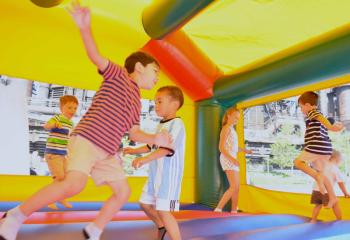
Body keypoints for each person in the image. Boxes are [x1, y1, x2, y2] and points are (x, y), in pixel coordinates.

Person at [0, 2, 171, 240]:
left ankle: (94, 229)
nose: (156, 78)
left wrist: (155, 138)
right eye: (155, 71)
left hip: (108, 152)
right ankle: (15, 215)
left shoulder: (138, 102)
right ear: (139, 68)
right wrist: (84, 27)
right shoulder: (118, 75)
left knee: (122, 193)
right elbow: (95, 56)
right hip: (88, 139)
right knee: (74, 184)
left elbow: (133, 132)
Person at [124, 86, 185, 240]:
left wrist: (144, 160)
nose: (155, 105)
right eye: (155, 102)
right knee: (145, 204)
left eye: (159, 101)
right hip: (155, 175)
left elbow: (165, 149)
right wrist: (133, 151)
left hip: (168, 177)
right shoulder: (161, 125)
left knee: (164, 211)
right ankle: (161, 226)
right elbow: (150, 145)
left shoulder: (177, 124)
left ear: (174, 104)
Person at [294, 91, 344, 209]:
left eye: (301, 107)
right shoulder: (317, 115)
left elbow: (320, 118)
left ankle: (316, 176)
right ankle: (332, 197)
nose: (301, 110)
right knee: (324, 174)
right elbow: (324, 120)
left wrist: (331, 127)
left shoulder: (313, 112)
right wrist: (333, 125)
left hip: (316, 145)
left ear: (307, 105)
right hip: (325, 149)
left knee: (298, 162)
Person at [213, 107, 252, 213]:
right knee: (234, 186)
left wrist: (245, 150)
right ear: (229, 116)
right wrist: (232, 159)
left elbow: (233, 147)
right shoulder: (226, 128)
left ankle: (234, 210)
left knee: (237, 187)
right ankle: (218, 208)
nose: (236, 120)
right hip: (227, 158)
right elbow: (221, 147)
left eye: (238, 118)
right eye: (235, 117)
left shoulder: (231, 129)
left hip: (231, 157)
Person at [44, 95, 78, 210]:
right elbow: (46, 126)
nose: (72, 111)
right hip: (53, 153)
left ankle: (61, 197)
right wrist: (53, 125)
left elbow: (69, 139)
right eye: (69, 108)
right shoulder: (57, 118)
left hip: (63, 154)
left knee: (66, 177)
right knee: (60, 177)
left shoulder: (71, 123)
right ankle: (50, 199)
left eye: (74, 108)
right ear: (61, 108)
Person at [310, 150, 350, 223]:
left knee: (318, 205)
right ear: (336, 159)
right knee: (335, 203)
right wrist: (345, 193)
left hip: (316, 190)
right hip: (327, 191)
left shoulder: (322, 166)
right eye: (341, 161)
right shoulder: (335, 168)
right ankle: (339, 220)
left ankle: (313, 220)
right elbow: (340, 183)